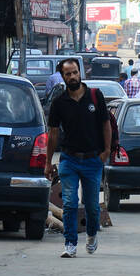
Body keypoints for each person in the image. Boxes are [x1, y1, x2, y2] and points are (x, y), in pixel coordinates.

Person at [45, 58, 111, 258]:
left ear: (80, 73)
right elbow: (53, 134)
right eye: (68, 74)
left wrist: (106, 151)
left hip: (93, 160)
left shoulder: (95, 95)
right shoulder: (59, 102)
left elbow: (105, 124)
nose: (72, 76)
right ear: (62, 76)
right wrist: (48, 162)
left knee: (91, 206)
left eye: (75, 72)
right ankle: (70, 243)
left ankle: (91, 235)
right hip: (69, 160)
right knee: (70, 203)